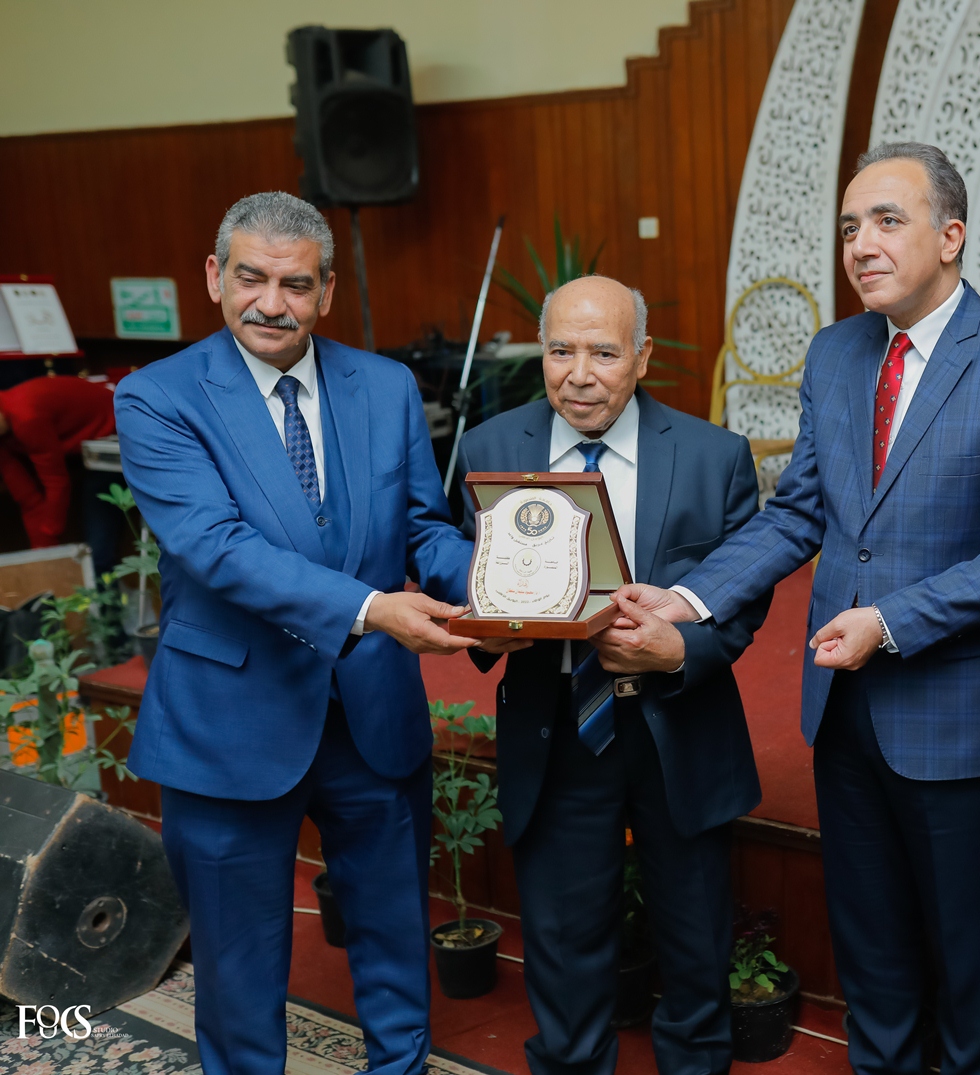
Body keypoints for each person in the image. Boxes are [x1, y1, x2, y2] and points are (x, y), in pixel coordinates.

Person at [619, 142, 980, 1075]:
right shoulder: (835, 353)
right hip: (841, 705)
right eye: (848, 227)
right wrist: (690, 596)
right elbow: (799, 512)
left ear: (950, 236)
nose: (860, 244)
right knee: (869, 944)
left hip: (958, 710)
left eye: (885, 221)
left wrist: (891, 621)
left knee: (966, 954)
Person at [114, 192, 510, 1075]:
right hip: (230, 718)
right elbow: (218, 548)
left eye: (295, 285)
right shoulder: (157, 397)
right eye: (250, 278)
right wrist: (372, 609)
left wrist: (506, 592)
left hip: (372, 712)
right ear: (215, 276)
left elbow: (422, 529)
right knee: (238, 969)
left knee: (395, 938)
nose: (271, 303)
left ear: (326, 291)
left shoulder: (386, 386)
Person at [453, 275, 771, 1075]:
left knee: (694, 935)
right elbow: (462, 561)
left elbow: (743, 596)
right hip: (556, 721)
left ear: (642, 355)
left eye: (602, 352)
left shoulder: (713, 456)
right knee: (563, 941)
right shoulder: (492, 448)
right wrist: (492, 618)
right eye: (560, 351)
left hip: (677, 725)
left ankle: (695, 1063)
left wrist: (681, 651)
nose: (579, 374)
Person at [0, 373, 119, 573]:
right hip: (71, 446)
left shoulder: (27, 417)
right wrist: (43, 553)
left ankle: (105, 586)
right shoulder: (5, 432)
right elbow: (27, 498)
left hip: (111, 431)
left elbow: (57, 482)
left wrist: (49, 533)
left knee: (98, 502)